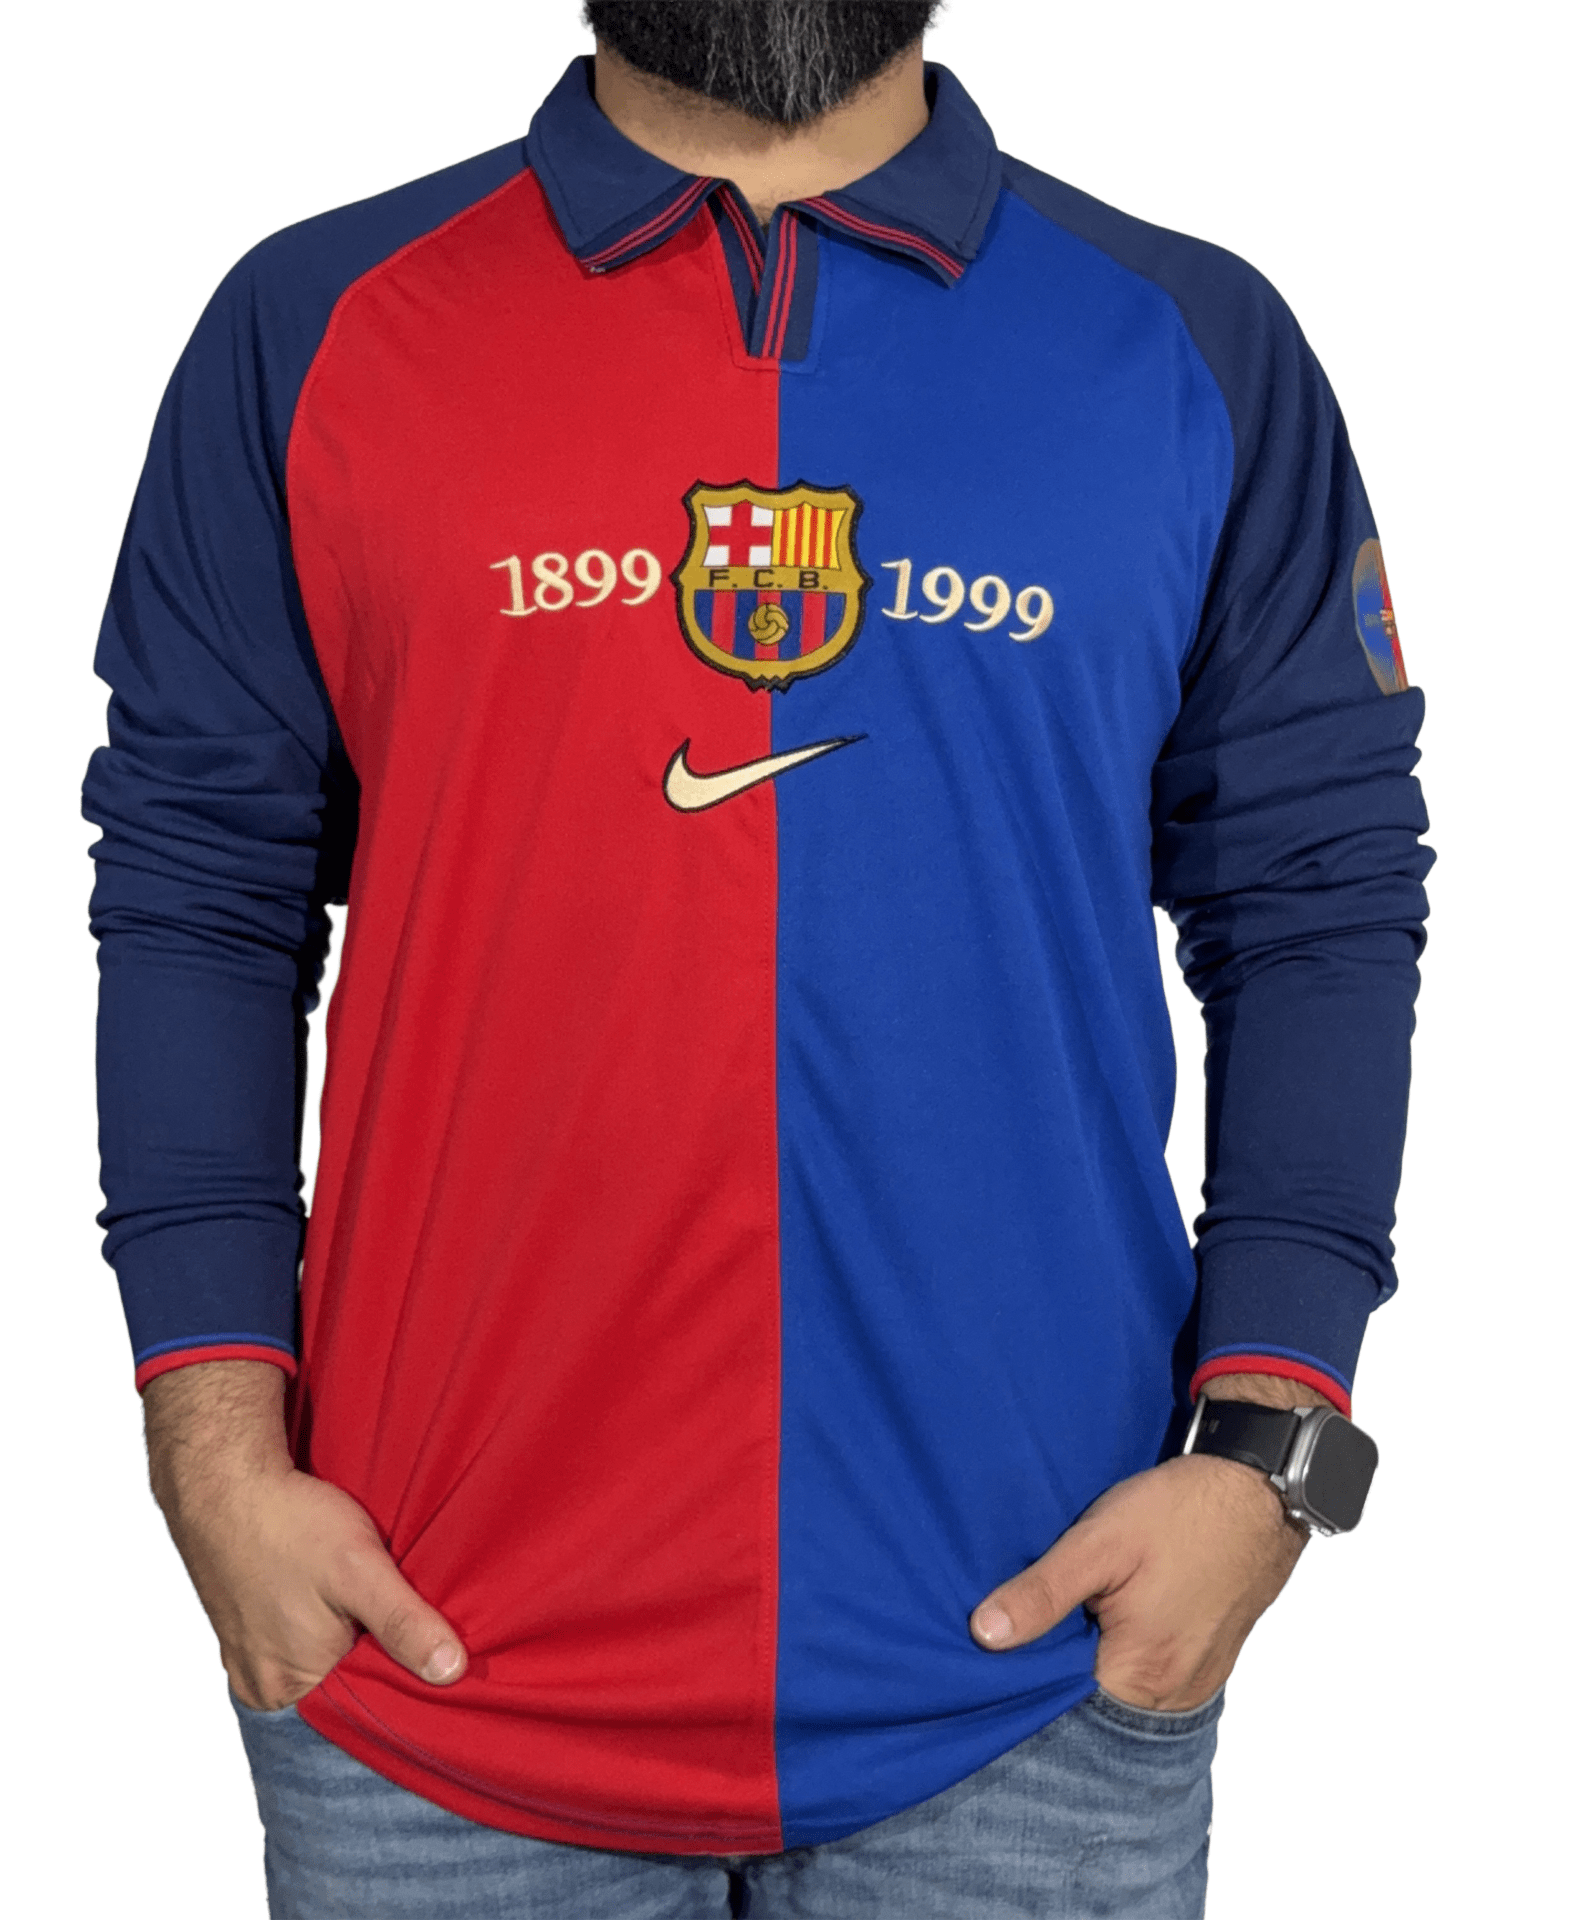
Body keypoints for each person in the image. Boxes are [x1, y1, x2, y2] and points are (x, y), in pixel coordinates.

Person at [83, 3, 1431, 1914]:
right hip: (432, 1678)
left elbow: (1316, 896)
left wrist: (1268, 1443)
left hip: (1034, 1679)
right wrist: (213, 1448)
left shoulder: (1190, 344)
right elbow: (198, 893)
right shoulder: (316, 326)